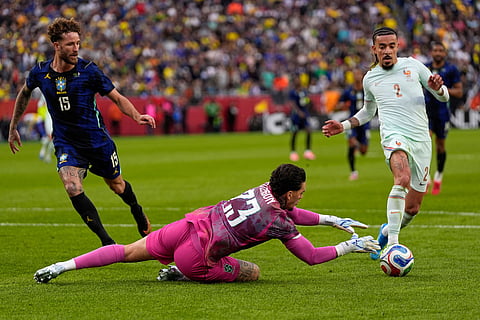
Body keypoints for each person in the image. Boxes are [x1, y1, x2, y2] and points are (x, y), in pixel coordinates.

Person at [33, 163, 380, 284]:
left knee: (124, 252)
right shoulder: (279, 221)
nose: (302, 197)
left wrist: (331, 219)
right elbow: (312, 257)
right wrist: (350, 245)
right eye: (301, 193)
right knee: (253, 272)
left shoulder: (264, 190)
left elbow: (292, 213)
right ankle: (179, 274)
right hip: (196, 257)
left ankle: (62, 266)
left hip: (186, 227)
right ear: (288, 193)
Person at [8, 17, 156, 246]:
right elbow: (24, 92)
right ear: (56, 45)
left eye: (78, 43)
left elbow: (116, 97)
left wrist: (136, 115)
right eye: (70, 44)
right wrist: (13, 126)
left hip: (96, 140)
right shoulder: (40, 72)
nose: (76, 48)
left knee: (117, 185)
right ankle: (107, 243)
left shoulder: (89, 71)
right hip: (67, 142)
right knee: (72, 186)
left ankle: (136, 209)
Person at [322, 27, 449, 260]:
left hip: (421, 140)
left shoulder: (413, 66)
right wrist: (344, 125)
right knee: (402, 178)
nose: (387, 50)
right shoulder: (370, 78)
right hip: (393, 136)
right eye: (382, 47)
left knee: (412, 209)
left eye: (391, 46)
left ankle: (386, 231)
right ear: (374, 49)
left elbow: (444, 96)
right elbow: (367, 112)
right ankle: (392, 245)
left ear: (397, 46)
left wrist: (438, 87)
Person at [425, 41, 463, 195]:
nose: (438, 53)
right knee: (425, 143)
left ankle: (438, 176)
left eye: (441, 50)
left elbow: (459, 92)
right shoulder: (425, 68)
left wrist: (441, 90)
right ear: (431, 53)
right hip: (426, 112)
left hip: (442, 112)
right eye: (435, 50)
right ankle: (425, 178)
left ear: (445, 53)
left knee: (440, 145)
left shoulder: (452, 69)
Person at [337, 69, 370, 180]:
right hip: (352, 122)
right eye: (355, 74)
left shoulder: (367, 89)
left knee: (363, 151)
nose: (357, 76)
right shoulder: (349, 91)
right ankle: (353, 172)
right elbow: (340, 102)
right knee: (351, 144)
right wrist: (341, 105)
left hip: (364, 122)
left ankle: (358, 145)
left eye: (359, 74)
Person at [288, 79, 315, 161]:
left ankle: (308, 151)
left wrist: (307, 110)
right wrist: (299, 112)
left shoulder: (304, 92)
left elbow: (306, 101)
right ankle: (293, 152)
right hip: (295, 116)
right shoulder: (292, 92)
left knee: (309, 131)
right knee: (295, 133)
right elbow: (292, 104)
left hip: (304, 115)